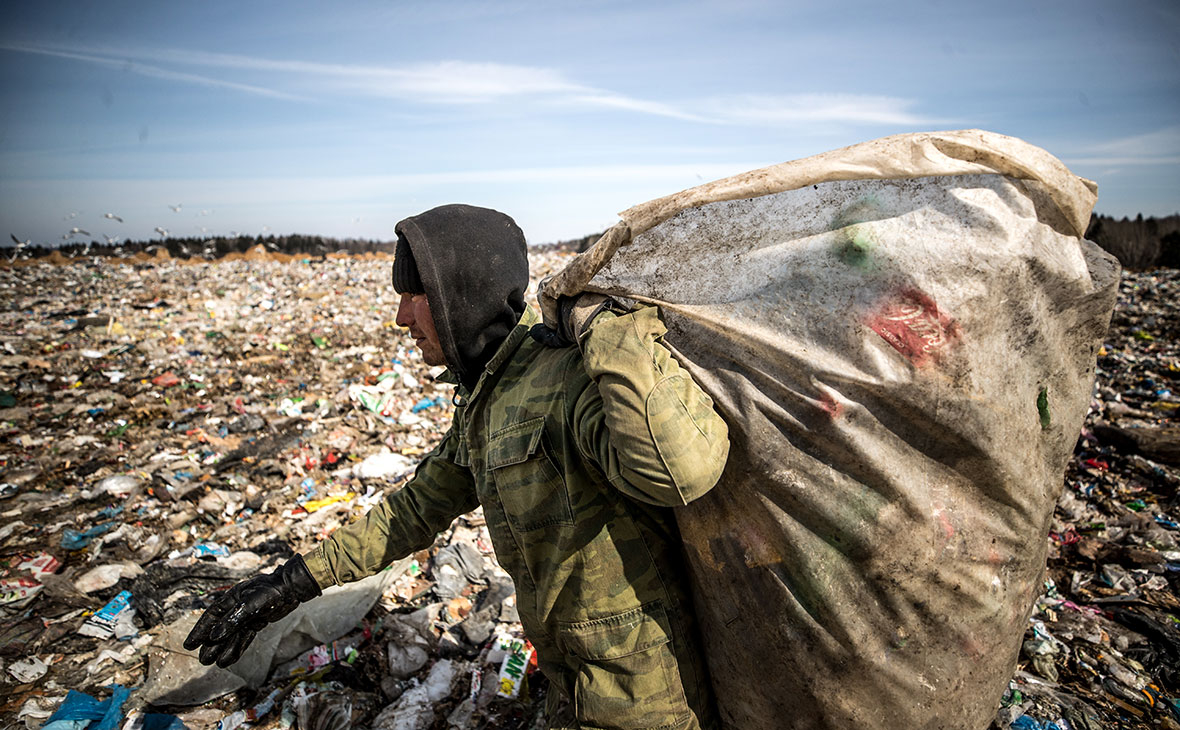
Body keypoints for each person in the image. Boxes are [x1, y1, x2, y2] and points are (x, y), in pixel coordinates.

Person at [184, 204, 731, 730]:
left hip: (643, 696)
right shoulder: (487, 398)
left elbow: (680, 472)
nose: (402, 317)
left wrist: (612, 330)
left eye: (415, 293)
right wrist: (289, 583)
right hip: (568, 679)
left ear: (460, 295)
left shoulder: (567, 377)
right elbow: (415, 509)